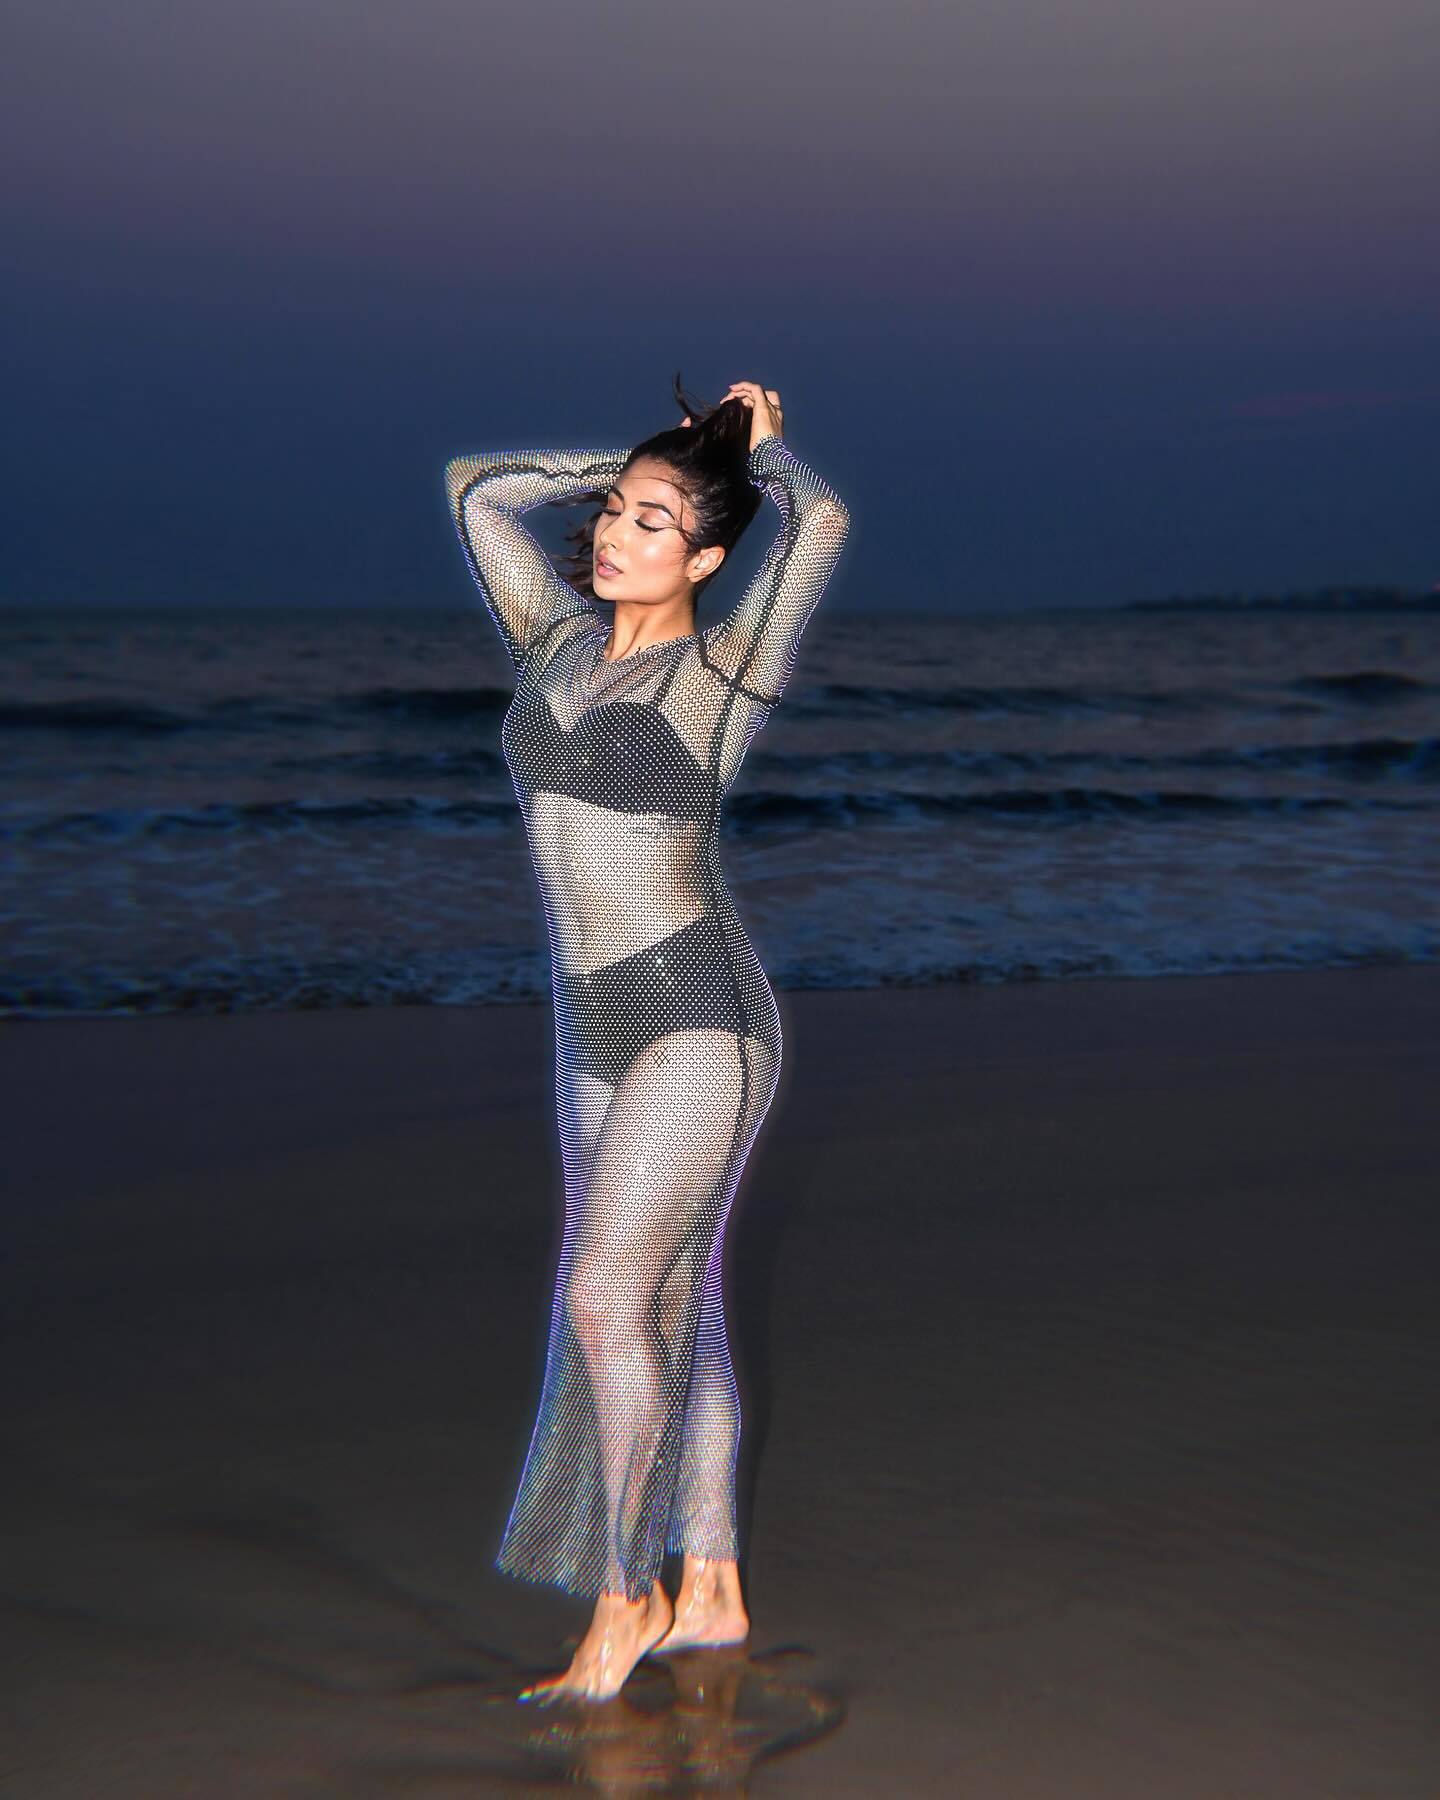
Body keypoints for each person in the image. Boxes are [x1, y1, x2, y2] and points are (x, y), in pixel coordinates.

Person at [443, 376, 850, 1703]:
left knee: (605, 1299)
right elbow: (473, 491)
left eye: (655, 523)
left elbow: (823, 527)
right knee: (676, 1304)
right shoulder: (551, 640)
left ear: (708, 560)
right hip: (592, 1027)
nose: (617, 534)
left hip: (697, 1017)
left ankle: (626, 1599)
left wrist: (758, 457)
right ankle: (713, 1587)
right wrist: (633, 464)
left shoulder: (725, 673)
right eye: (616, 512)